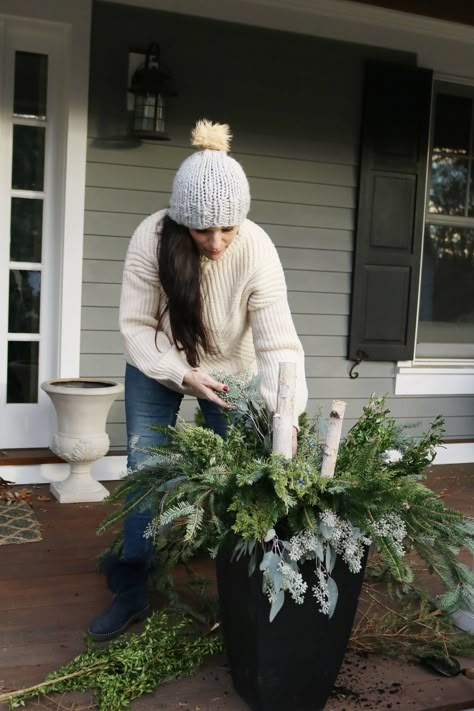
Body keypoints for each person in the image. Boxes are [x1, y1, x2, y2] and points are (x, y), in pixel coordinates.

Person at [88, 119, 308, 640]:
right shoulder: (150, 238)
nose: (216, 241)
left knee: (238, 474)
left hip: (231, 372)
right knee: (145, 471)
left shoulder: (257, 249)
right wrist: (182, 373)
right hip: (160, 366)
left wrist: (286, 412)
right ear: (181, 220)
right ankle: (132, 586)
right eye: (203, 229)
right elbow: (136, 329)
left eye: (227, 228)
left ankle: (242, 583)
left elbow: (278, 344)